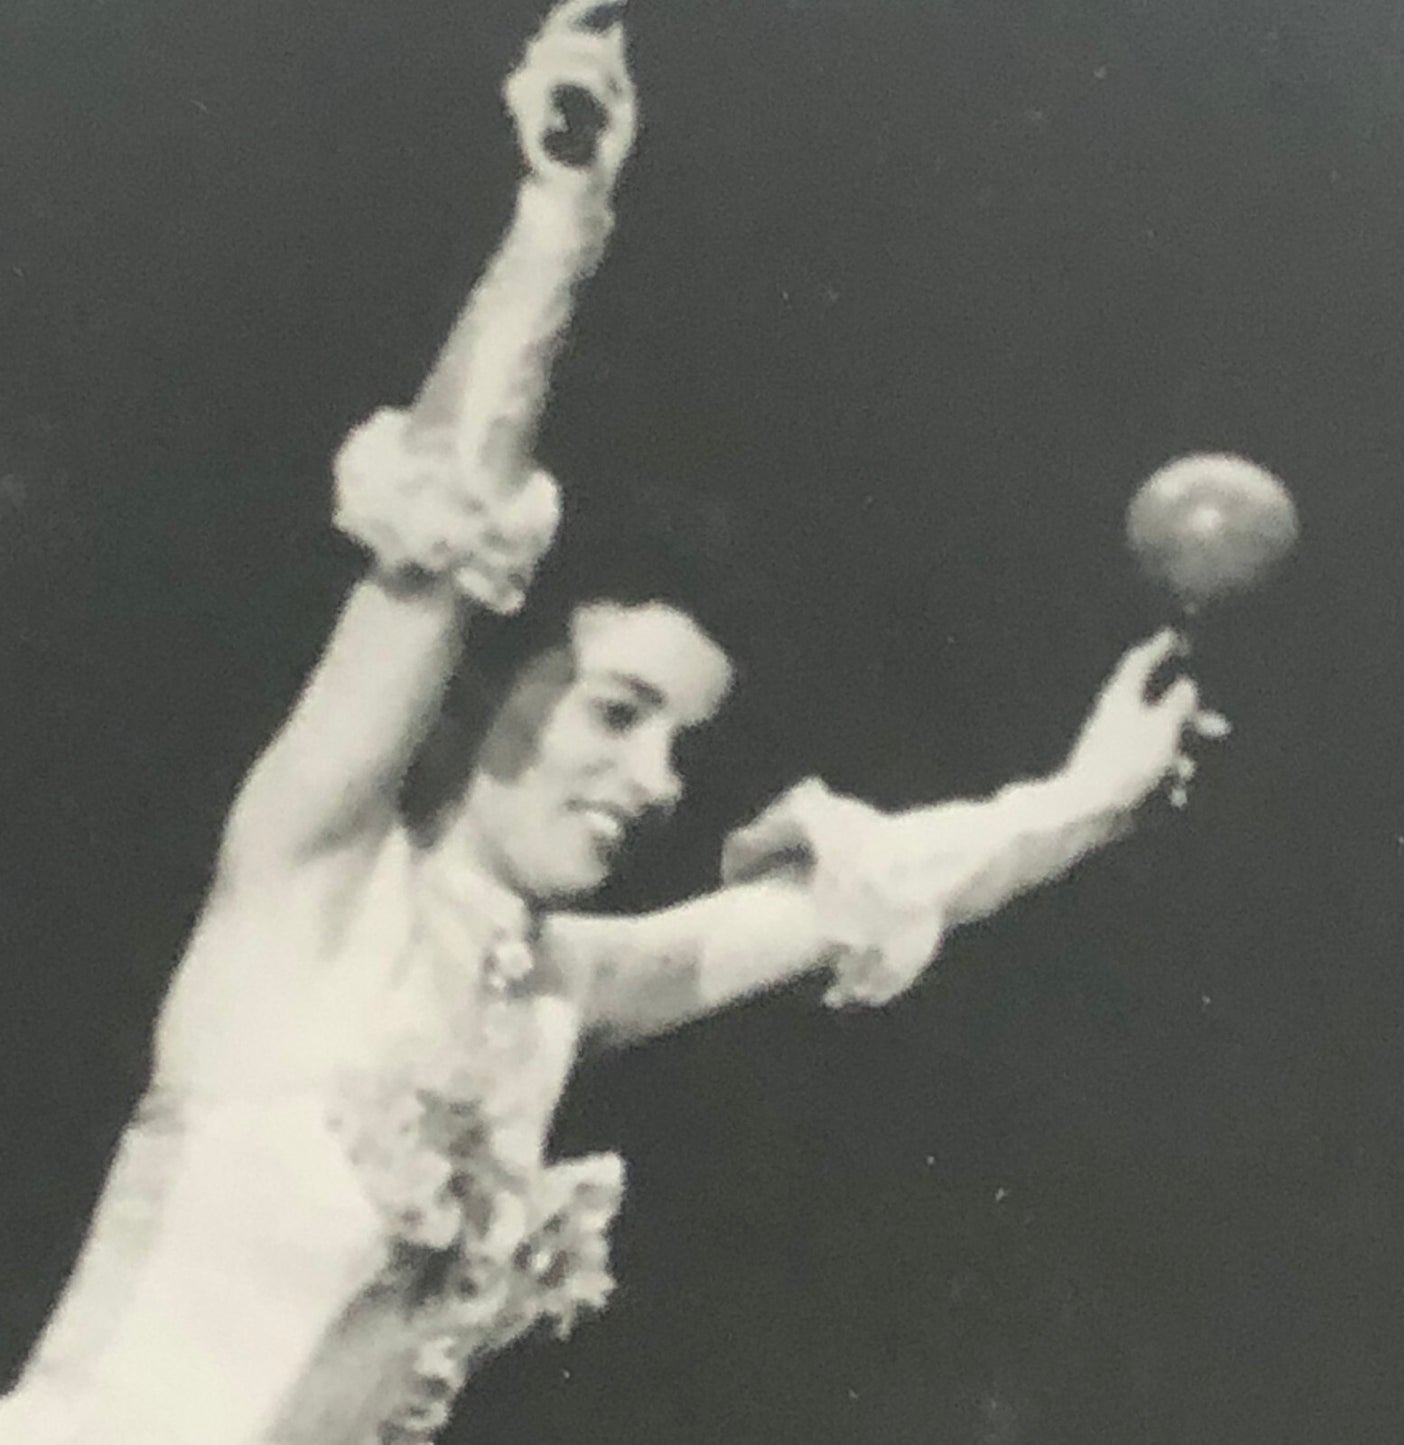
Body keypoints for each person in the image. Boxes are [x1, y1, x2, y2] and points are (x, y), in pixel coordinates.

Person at [0, 3, 1228, 1441]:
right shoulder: (312, 868)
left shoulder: (558, 995)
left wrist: (1085, 791)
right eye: (617, 710)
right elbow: (441, 530)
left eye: (681, 741)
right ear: (471, 688)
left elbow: (854, 897)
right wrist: (556, 222)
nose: (655, 781)